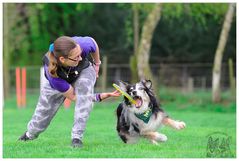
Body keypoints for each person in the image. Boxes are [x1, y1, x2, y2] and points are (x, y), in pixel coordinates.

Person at [18, 36, 121, 148]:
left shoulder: (83, 45)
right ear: (63, 59)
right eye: (76, 57)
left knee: (84, 93)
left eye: (80, 54)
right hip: (60, 79)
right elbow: (75, 97)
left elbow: (93, 44)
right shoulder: (53, 76)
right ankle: (30, 134)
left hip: (83, 71)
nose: (80, 58)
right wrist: (99, 96)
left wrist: (97, 64)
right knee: (43, 112)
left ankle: (77, 138)